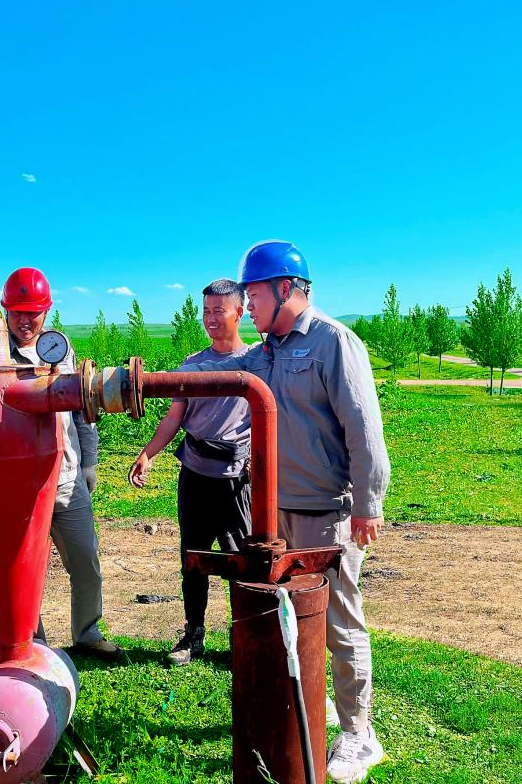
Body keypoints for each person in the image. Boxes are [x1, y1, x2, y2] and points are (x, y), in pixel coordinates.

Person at [179, 240, 390, 783]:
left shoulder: (333, 344)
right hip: (273, 515)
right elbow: (222, 371)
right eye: (244, 297)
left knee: (339, 618)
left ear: (286, 290)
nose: (247, 306)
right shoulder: (265, 353)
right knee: (285, 617)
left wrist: (368, 504)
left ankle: (358, 734)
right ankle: (298, 709)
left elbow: (364, 431)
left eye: (253, 294)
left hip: (326, 512)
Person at [0, 267, 123, 662]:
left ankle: (87, 632)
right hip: (19, 484)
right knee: (22, 568)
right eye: (17, 312)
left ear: (46, 312)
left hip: (66, 475)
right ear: (4, 311)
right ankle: (34, 643)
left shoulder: (61, 349)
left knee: (85, 559)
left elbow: (83, 410)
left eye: (33, 312)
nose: (25, 320)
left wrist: (89, 462)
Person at [128, 279, 253, 666]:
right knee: (193, 558)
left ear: (240, 312)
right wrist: (149, 453)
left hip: (236, 478)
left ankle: (245, 637)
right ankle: (193, 635)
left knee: (241, 561)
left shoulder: (258, 362)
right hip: (196, 475)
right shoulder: (192, 365)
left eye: (219, 310)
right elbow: (174, 417)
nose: (211, 319)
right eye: (206, 311)